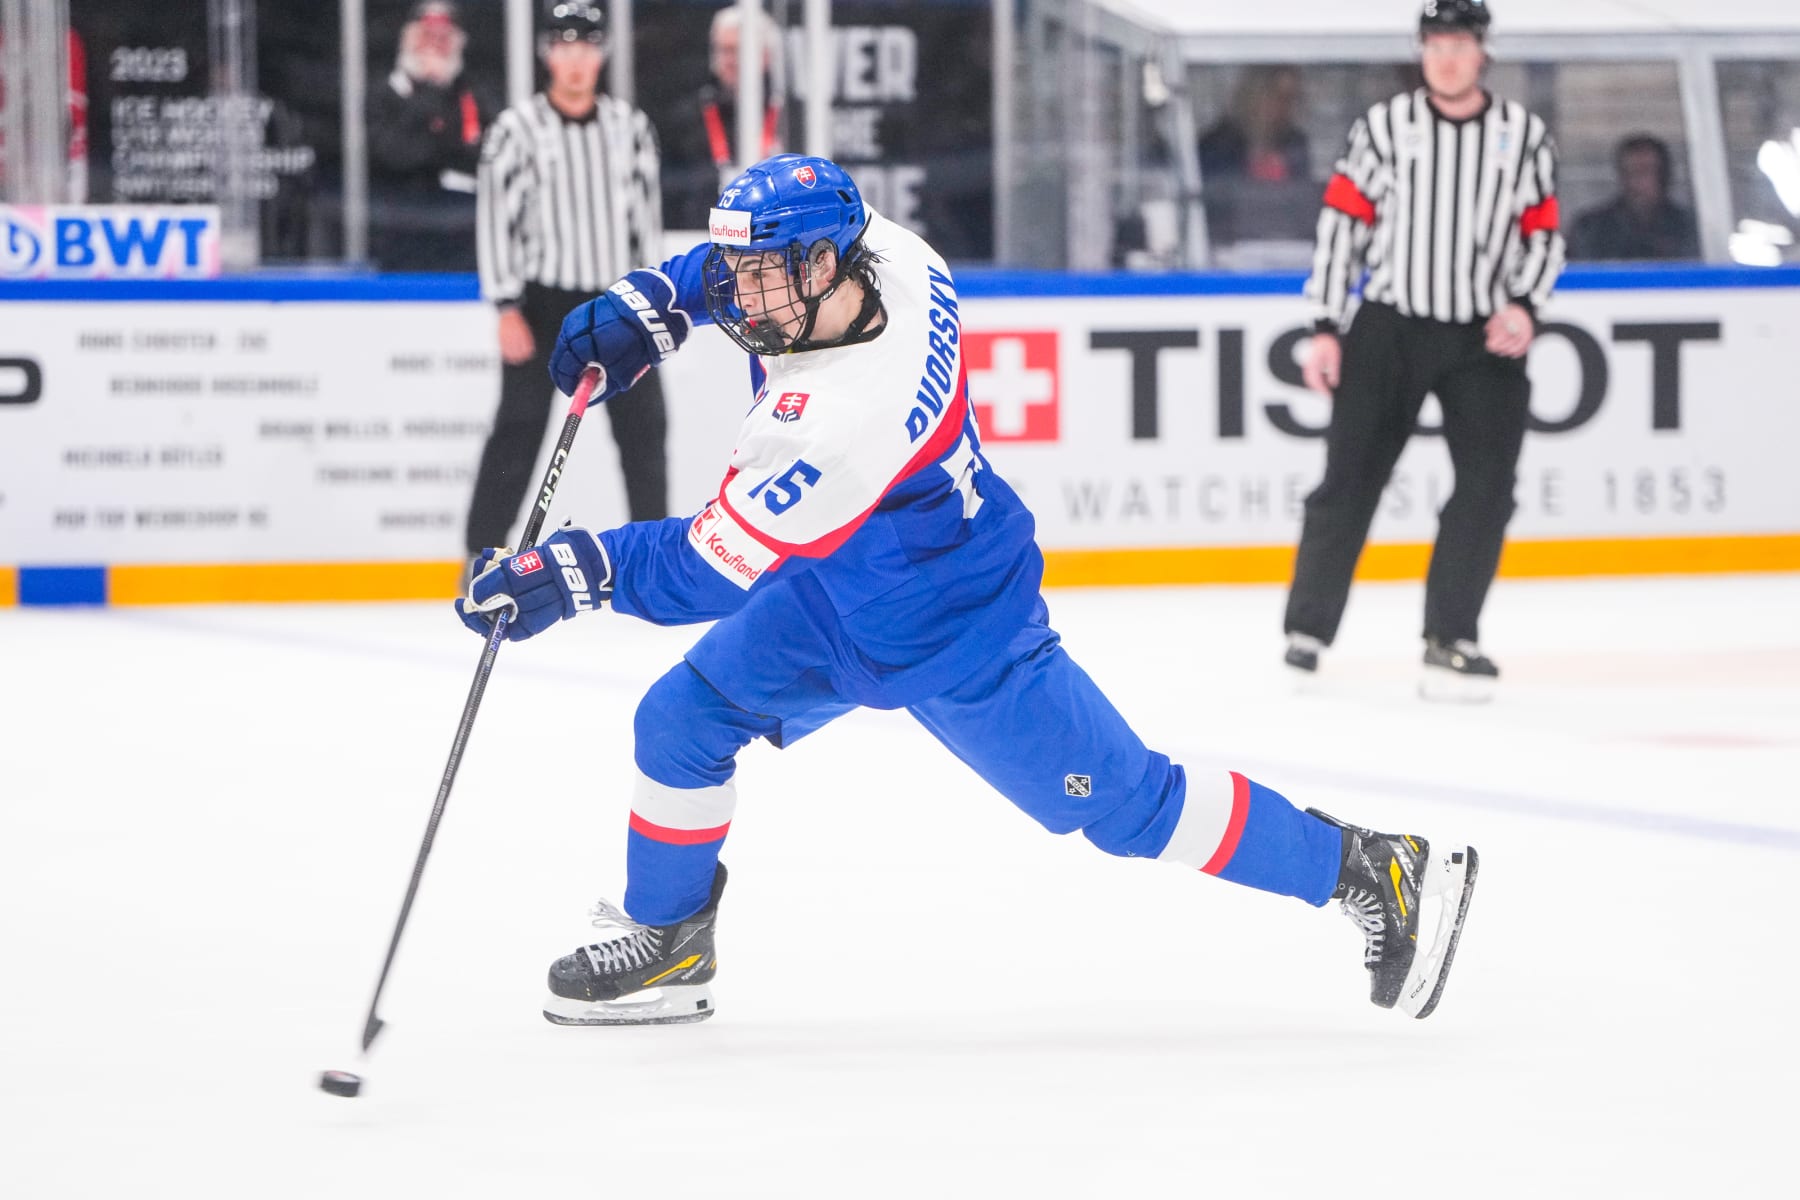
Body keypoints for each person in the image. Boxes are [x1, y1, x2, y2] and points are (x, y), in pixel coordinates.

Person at [450, 152, 1481, 1028]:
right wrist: (659, 304)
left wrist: (565, 573)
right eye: (735, 272)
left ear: (821, 267)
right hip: (840, 583)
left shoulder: (840, 418)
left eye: (759, 278)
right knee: (681, 718)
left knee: (1132, 807)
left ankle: (1366, 867)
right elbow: (723, 278)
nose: (740, 296)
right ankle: (671, 938)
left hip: (956, 625)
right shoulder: (888, 254)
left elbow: (702, 569)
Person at [1284, 0, 1566, 701]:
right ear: (1420, 50)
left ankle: (1451, 636)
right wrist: (1325, 323)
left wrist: (1525, 305)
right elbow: (1341, 227)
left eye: (1460, 43)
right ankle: (1308, 630)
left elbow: (1544, 233)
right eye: (1435, 42)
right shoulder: (1385, 128)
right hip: (1391, 325)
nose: (1446, 56)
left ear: (1482, 53)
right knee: (1349, 479)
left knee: (1488, 486)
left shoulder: (1521, 135)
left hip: (1482, 333)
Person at [467, 0, 668, 574]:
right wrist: (505, 305)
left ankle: (649, 552)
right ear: (546, 53)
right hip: (544, 301)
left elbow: (644, 228)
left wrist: (651, 311)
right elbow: (496, 221)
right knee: (518, 428)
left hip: (617, 302)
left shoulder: (630, 129)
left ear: (601, 53)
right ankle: (483, 550)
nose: (575, 60)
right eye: (564, 46)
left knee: (644, 429)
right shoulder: (516, 130)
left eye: (586, 47)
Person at [367, 1, 495, 272]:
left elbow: (483, 157)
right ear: (408, 40)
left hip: (463, 227)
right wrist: (428, 96)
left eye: (444, 38)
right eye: (426, 36)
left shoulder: (472, 95)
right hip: (398, 226)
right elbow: (392, 156)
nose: (434, 46)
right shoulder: (383, 94)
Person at [664, 5, 784, 230]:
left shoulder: (788, 117)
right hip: (701, 237)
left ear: (766, 55)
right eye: (724, 50)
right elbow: (671, 186)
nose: (730, 60)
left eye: (739, 51)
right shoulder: (688, 117)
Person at [1197, 65, 1315, 245]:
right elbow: (1209, 203)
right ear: (1252, 96)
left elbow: (1304, 206)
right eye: (1278, 98)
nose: (1284, 108)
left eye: (1291, 100)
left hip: (1289, 246)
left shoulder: (1295, 144)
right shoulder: (1215, 146)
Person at [1567, 134, 1700, 262]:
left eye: (1645, 171)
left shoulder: (1687, 227)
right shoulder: (1592, 229)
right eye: (1631, 172)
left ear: (1664, 176)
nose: (1637, 182)